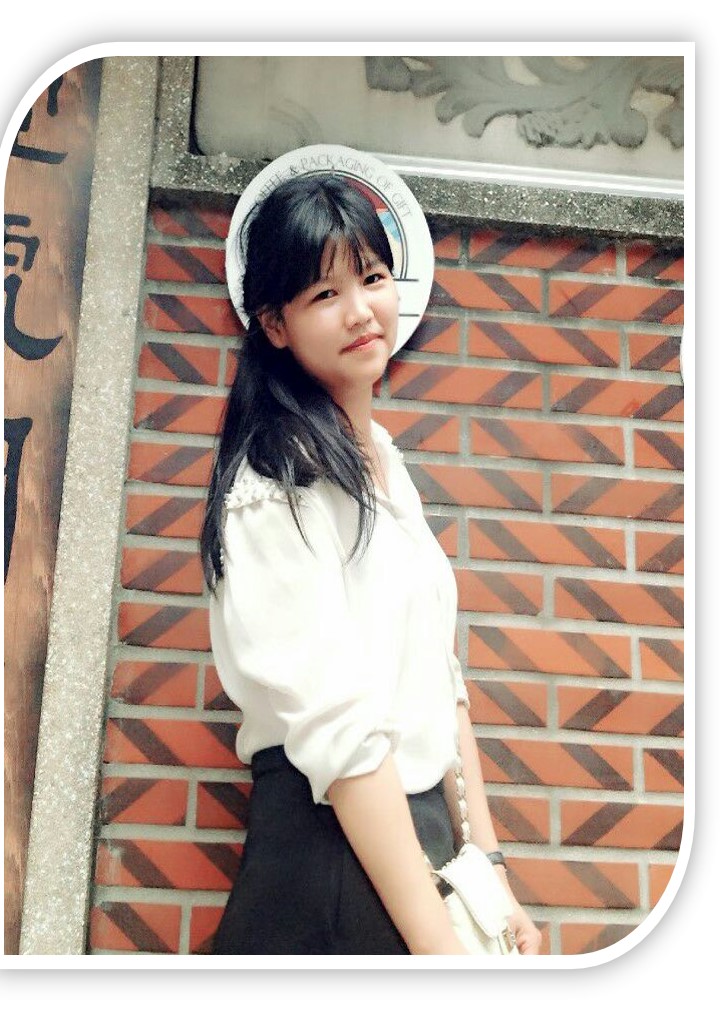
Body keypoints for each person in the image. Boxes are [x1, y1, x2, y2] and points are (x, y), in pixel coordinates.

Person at [199, 161, 542, 956]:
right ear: (275, 324)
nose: (360, 310)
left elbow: (441, 686)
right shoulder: (274, 485)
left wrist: (490, 875)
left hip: (416, 849)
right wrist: (441, 951)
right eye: (325, 293)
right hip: (332, 857)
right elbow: (343, 737)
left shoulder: (383, 460)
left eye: (373, 278)